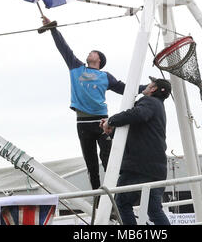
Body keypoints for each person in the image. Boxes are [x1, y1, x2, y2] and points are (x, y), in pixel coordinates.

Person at [40, 16, 146, 190]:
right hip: (82, 123)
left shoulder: (105, 76)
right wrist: (53, 29)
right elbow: (64, 49)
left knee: (108, 161)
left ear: (99, 60)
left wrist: (145, 88)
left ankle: (115, 194)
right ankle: (98, 199)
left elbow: (125, 89)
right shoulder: (76, 67)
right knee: (91, 166)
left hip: (102, 122)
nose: (89, 53)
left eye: (93, 52)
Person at [100, 77, 171, 225]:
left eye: (150, 84)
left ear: (153, 89)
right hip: (156, 168)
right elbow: (138, 134)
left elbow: (137, 114)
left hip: (138, 167)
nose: (146, 85)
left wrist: (110, 121)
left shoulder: (149, 102)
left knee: (122, 204)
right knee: (154, 209)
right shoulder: (158, 107)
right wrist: (112, 132)